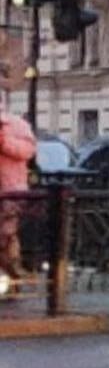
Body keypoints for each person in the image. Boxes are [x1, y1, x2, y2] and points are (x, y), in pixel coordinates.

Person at [0, 101, 36, 282]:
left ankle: (12, 274)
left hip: (12, 190)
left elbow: (27, 151)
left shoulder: (17, 125)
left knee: (7, 232)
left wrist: (4, 141)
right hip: (9, 189)